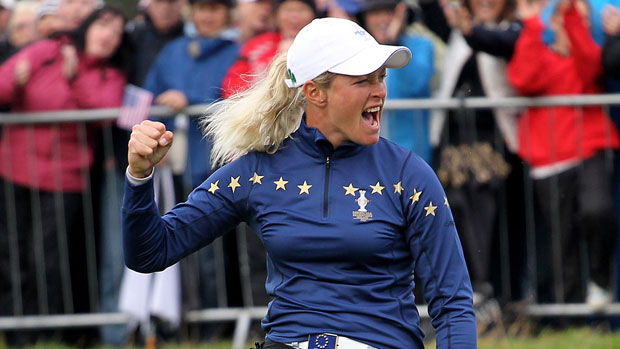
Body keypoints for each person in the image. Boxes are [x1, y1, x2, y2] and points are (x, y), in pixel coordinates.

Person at [123, 17, 476, 348]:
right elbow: (150, 252)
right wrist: (139, 176)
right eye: (362, 80)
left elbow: (453, 304)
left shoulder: (409, 175)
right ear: (315, 92)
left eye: (380, 77)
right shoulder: (257, 171)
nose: (379, 91)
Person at [0, 5, 129, 346]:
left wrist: (74, 78)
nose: (108, 36)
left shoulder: (109, 74)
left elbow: (106, 110)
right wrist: (15, 82)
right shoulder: (46, 50)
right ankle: (15, 330)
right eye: (103, 26)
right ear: (87, 27)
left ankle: (43, 330)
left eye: (116, 33)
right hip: (14, 168)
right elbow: (3, 85)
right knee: (13, 254)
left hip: (64, 178)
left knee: (49, 258)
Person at [508, 0, 619, 310]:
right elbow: (523, 80)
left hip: (589, 148)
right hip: (549, 158)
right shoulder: (539, 51)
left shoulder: (585, 53)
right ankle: (572, 321)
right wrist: (533, 25)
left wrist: (571, 15)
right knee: (561, 243)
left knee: (598, 212)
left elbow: (589, 68)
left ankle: (600, 281)